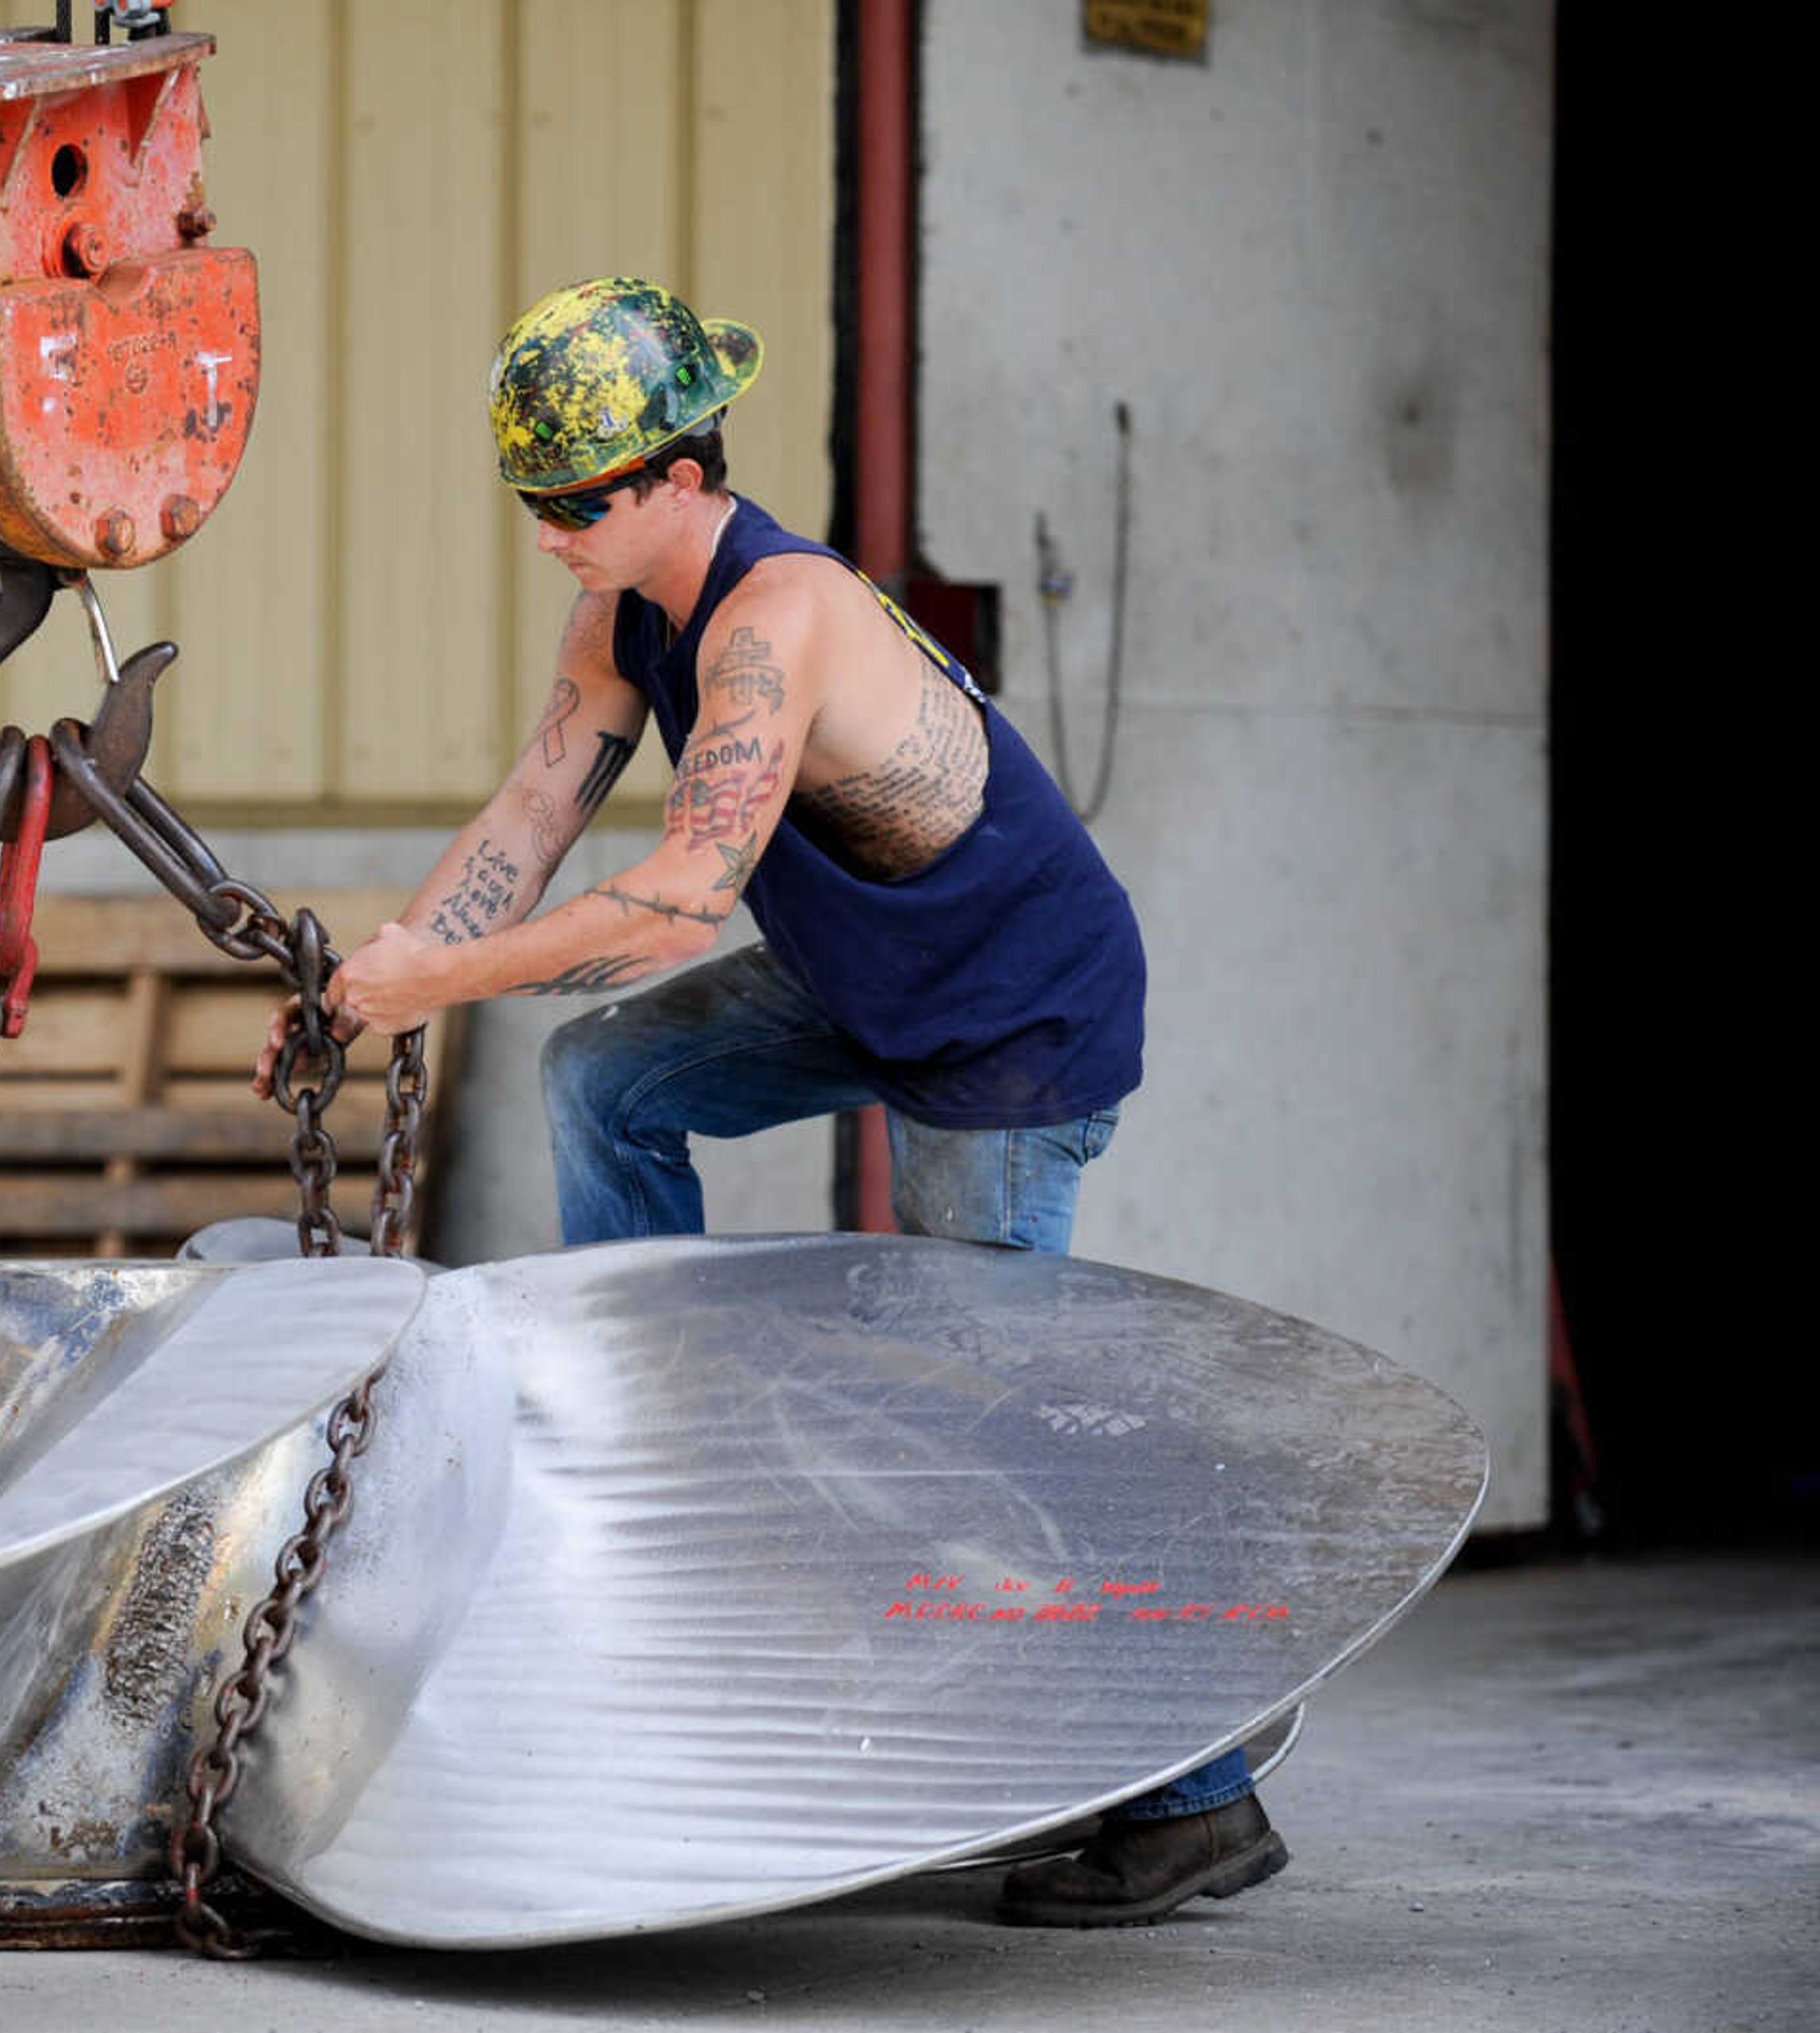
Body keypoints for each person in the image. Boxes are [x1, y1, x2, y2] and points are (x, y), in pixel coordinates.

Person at [252, 276, 1281, 1928]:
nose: (547, 535)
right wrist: (365, 986)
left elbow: (674, 899)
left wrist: (439, 986)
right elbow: (525, 822)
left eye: (575, 502)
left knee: (980, 1424)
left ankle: (1196, 1794)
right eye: (531, 504)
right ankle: (670, 1403)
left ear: (677, 476)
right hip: (867, 973)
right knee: (609, 1073)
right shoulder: (620, 614)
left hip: (1010, 1019)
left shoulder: (773, 621)